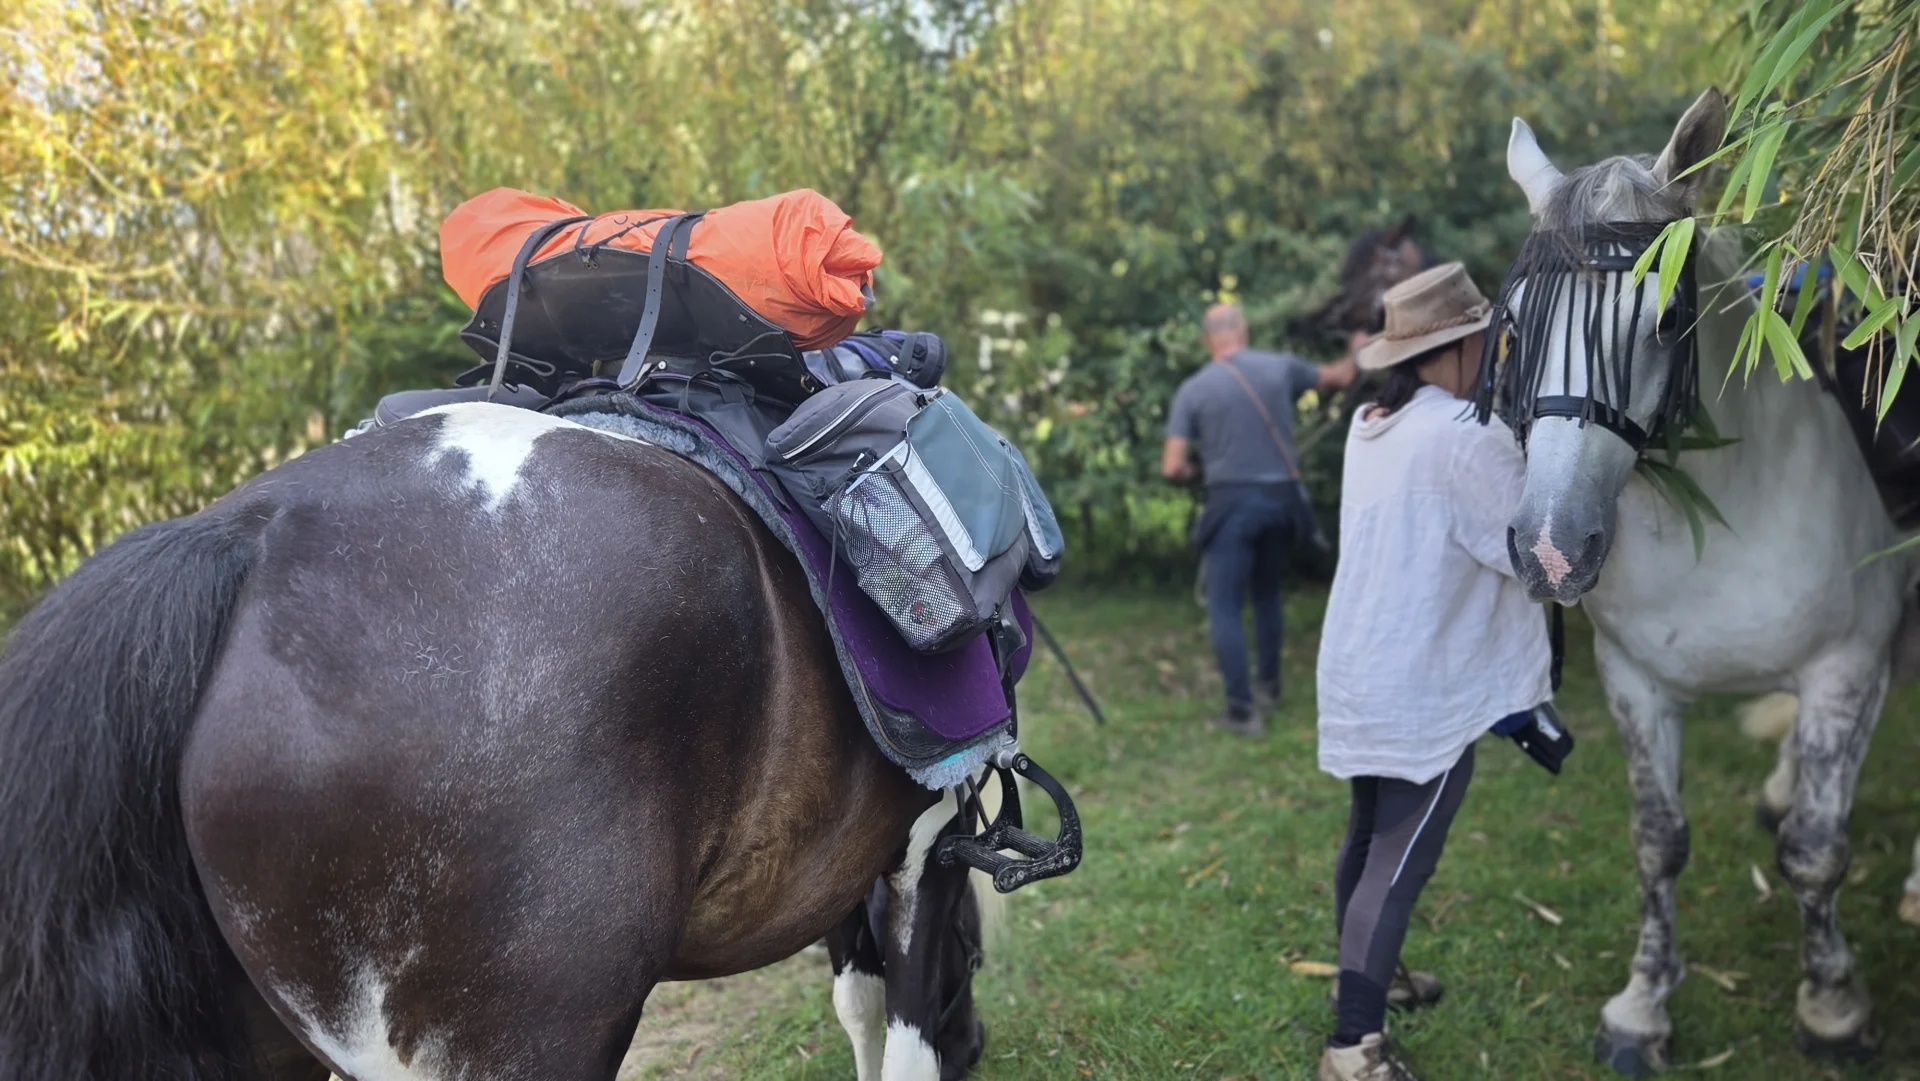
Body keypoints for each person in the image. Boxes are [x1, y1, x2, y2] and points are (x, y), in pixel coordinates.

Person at [1313, 264, 1554, 1081]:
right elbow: (1524, 549)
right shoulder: (1461, 433)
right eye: (1485, 340)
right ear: (1460, 346)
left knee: (1369, 834)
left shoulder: (1371, 423)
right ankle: (1354, 1045)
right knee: (1398, 854)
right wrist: (1575, 550)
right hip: (1421, 678)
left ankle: (1370, 984)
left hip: (1362, 662)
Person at [1161, 303, 1358, 736]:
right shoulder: (1279, 367)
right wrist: (1358, 350)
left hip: (1231, 505)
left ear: (1207, 338)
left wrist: (1199, 473)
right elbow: (1339, 377)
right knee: (1267, 594)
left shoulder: (1194, 390)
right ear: (1242, 330)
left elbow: (1172, 466)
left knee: (1224, 605)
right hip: (1281, 505)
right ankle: (1269, 689)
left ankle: (1242, 711)